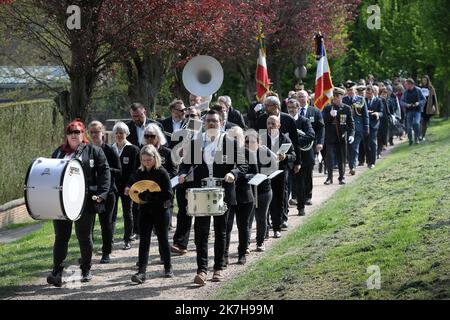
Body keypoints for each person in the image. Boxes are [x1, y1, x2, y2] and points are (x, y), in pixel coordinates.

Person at [178, 110, 248, 285]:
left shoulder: (229, 142)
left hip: (222, 191)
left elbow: (243, 165)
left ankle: (218, 268)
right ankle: (201, 270)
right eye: (208, 121)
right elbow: (186, 165)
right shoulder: (196, 142)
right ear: (204, 123)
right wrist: (183, 174)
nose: (211, 124)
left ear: (221, 122)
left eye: (214, 121)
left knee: (220, 231)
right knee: (201, 233)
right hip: (201, 191)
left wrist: (233, 173)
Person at [46, 120, 111, 287]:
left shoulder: (94, 151)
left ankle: (86, 269)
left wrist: (101, 194)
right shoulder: (59, 153)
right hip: (61, 203)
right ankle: (57, 271)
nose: (74, 135)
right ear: (66, 136)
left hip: (85, 202)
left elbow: (105, 172)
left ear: (83, 134)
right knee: (61, 237)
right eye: (71, 132)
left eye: (77, 132)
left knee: (84, 236)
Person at [125, 145, 173, 283]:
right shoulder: (139, 172)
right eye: (144, 160)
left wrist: (151, 196)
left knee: (163, 239)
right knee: (144, 241)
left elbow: (169, 194)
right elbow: (131, 182)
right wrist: (128, 188)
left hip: (160, 211)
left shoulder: (162, 172)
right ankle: (141, 272)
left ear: (155, 158)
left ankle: (168, 267)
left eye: (149, 160)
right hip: (144, 211)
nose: (146, 163)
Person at [256, 95, 300, 229]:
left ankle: (283, 218)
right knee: (266, 193)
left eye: (267, 105)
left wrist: (297, 161)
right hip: (266, 165)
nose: (265, 108)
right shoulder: (261, 120)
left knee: (283, 192)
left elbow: (295, 142)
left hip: (283, 165)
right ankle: (268, 220)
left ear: (275, 107)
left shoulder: (288, 119)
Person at [87, 121, 121, 264]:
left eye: (97, 132)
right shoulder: (86, 150)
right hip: (90, 192)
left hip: (108, 192)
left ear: (103, 133)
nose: (94, 134)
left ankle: (106, 252)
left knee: (106, 223)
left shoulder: (109, 150)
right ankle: (87, 252)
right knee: (87, 224)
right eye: (92, 132)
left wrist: (104, 169)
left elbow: (119, 171)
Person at [224, 126, 254, 266]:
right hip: (228, 195)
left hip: (244, 194)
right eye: (231, 138)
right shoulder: (224, 153)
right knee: (226, 227)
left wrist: (239, 175)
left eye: (236, 138)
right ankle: (224, 255)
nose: (234, 140)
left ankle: (242, 253)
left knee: (243, 226)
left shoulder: (247, 153)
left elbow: (255, 172)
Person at [262, 115, 296, 238]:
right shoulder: (261, 138)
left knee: (278, 201)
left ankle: (277, 227)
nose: (270, 126)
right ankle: (264, 230)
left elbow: (293, 155)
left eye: (273, 124)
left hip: (280, 174)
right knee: (264, 202)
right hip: (265, 173)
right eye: (268, 124)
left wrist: (285, 157)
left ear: (279, 125)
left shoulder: (285, 139)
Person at [111, 121, 140, 250]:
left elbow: (135, 170)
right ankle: (109, 240)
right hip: (112, 187)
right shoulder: (110, 149)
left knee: (127, 214)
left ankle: (127, 239)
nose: (119, 135)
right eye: (117, 133)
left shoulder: (133, 149)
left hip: (127, 187)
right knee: (111, 214)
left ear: (126, 134)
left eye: (121, 133)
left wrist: (129, 185)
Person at [245, 130, 275, 252]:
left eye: (252, 142)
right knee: (248, 219)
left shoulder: (264, 151)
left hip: (263, 189)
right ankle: (245, 244)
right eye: (246, 142)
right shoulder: (241, 154)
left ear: (258, 142)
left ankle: (260, 242)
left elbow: (273, 167)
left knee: (261, 217)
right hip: (248, 190)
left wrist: (262, 174)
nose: (249, 144)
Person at [296, 90, 324, 204]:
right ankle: (297, 196)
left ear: (308, 98)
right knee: (296, 172)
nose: (301, 99)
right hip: (296, 147)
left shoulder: (315, 111)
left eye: (303, 97)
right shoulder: (293, 112)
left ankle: (308, 196)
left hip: (310, 146)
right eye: (299, 97)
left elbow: (321, 127)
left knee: (308, 171)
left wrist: (320, 142)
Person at [322, 87, 355, 184]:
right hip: (330, 137)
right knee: (330, 158)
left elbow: (351, 123)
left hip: (341, 137)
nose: (336, 98)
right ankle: (329, 178)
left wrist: (351, 134)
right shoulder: (328, 108)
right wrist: (329, 116)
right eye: (334, 96)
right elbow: (323, 122)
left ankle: (342, 177)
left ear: (342, 97)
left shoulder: (346, 108)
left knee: (342, 158)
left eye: (338, 96)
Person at [294, 105, 316, 216]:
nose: (291, 109)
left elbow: (311, 135)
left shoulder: (305, 120)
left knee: (307, 180)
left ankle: (308, 196)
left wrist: (296, 142)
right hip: (294, 157)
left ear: (298, 108)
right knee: (299, 183)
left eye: (293, 107)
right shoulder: (286, 120)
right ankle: (300, 207)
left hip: (306, 156)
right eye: (289, 107)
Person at [345, 82, 369, 175]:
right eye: (348, 90)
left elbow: (365, 114)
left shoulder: (361, 99)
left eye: (351, 90)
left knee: (354, 147)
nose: (349, 92)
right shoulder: (344, 100)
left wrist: (366, 127)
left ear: (355, 90)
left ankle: (353, 166)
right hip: (347, 128)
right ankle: (351, 164)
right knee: (348, 148)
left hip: (358, 127)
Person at [400, 79, 426, 146]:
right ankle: (410, 140)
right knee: (409, 127)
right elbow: (401, 102)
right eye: (405, 85)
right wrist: (406, 105)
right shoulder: (405, 92)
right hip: (409, 111)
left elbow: (424, 99)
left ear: (411, 84)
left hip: (417, 110)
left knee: (416, 123)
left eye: (407, 84)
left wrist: (418, 103)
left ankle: (416, 138)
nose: (405, 86)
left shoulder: (418, 90)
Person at [365, 86, 384, 168]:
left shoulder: (378, 100)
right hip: (365, 124)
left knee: (372, 142)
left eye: (369, 93)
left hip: (374, 124)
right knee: (366, 143)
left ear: (373, 93)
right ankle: (368, 160)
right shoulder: (364, 100)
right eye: (367, 93)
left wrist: (377, 114)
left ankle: (372, 162)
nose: (368, 95)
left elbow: (382, 112)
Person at [419, 75, 439, 140]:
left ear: (427, 81)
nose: (424, 81)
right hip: (421, 106)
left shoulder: (431, 88)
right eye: (423, 80)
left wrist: (433, 105)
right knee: (421, 121)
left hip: (428, 106)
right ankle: (420, 135)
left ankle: (423, 135)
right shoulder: (420, 87)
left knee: (425, 122)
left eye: (425, 80)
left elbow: (433, 98)